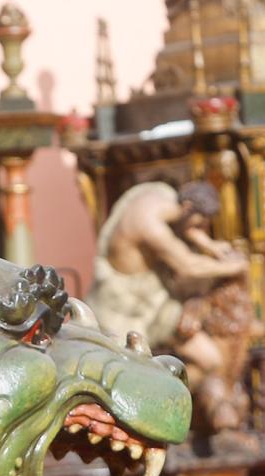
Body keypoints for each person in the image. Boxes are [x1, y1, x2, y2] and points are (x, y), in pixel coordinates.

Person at [91, 180, 256, 433]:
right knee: (128, 377)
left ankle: (168, 399)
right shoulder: (149, 224)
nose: (201, 229)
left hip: (154, 297)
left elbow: (185, 225)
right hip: (127, 307)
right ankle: (154, 404)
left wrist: (210, 246)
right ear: (188, 207)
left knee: (209, 359)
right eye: (199, 222)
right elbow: (187, 265)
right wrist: (233, 267)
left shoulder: (163, 195)